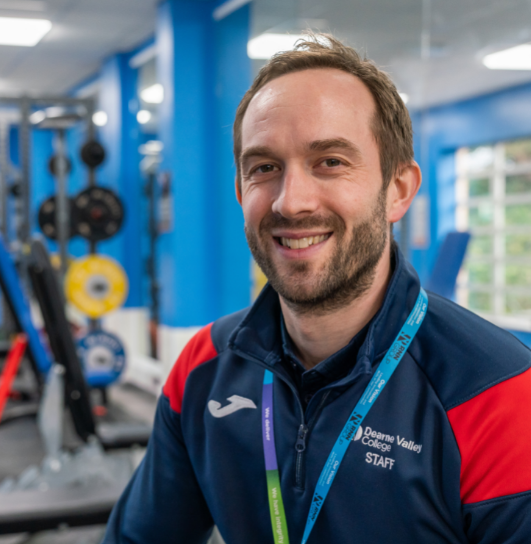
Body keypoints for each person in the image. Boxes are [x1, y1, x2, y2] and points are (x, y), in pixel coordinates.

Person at [102, 34, 531, 544]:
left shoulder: (498, 393)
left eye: (330, 161)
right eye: (264, 168)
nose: (291, 201)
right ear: (241, 192)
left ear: (398, 190)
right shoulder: (204, 367)